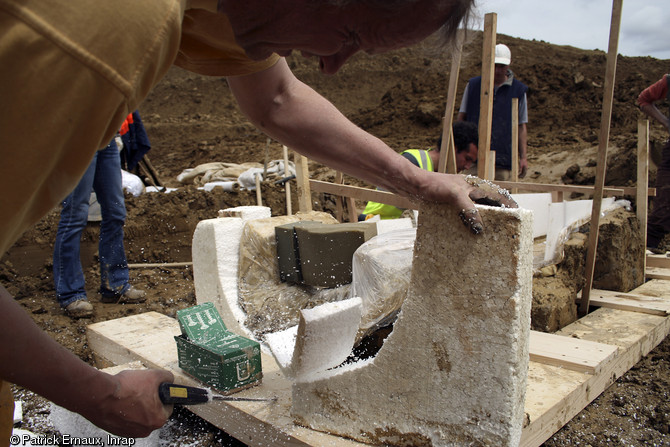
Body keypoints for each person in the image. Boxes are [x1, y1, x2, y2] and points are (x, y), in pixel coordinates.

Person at [0, 0, 517, 440]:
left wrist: (419, 183)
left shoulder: (217, 13)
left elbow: (278, 99)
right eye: (349, 33)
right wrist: (99, 394)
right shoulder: (113, 28)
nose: (333, 64)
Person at [53, 135, 146, 319]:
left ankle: (115, 284)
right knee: (75, 214)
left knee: (115, 212)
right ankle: (71, 294)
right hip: (80, 135)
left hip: (106, 137)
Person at [361, 120, 479, 219]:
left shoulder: (441, 174)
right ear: (454, 148)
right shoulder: (412, 161)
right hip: (376, 223)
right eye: (467, 158)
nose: (467, 166)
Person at [457, 43, 529, 181]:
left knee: (501, 201)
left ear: (509, 65)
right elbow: (462, 118)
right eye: (495, 65)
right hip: (473, 160)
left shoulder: (518, 91)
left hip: (504, 162)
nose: (497, 70)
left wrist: (523, 158)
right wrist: (457, 150)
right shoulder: (474, 86)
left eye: (502, 66)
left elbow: (521, 126)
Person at [638, 74, 670, 251]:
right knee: (663, 206)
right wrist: (665, 122)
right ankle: (648, 250)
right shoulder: (669, 81)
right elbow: (644, 100)